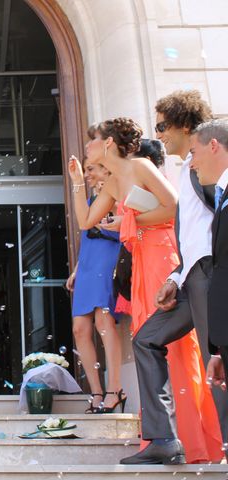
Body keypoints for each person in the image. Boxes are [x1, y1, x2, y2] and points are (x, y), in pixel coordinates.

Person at [69, 117, 221, 464]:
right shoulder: (111, 184)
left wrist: (129, 221)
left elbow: (174, 208)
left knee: (177, 347)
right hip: (141, 264)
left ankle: (192, 438)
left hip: (164, 260)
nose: (88, 146)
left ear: (108, 144)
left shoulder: (139, 166)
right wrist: (78, 182)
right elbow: (85, 221)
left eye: (93, 141)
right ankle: (164, 437)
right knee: (147, 341)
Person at [119, 92, 226, 465]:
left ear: (184, 125)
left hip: (212, 276)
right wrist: (176, 276)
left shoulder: (209, 169)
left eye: (163, 126)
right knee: (147, 339)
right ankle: (163, 439)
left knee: (218, 356)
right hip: (189, 277)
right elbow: (193, 234)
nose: (159, 134)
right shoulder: (187, 169)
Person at [66, 154, 123, 414]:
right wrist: (77, 269)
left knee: (103, 321)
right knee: (80, 328)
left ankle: (115, 389)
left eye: (91, 169)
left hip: (107, 261)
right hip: (88, 264)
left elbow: (126, 229)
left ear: (105, 169)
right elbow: (87, 233)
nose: (88, 174)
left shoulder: (118, 192)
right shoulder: (91, 198)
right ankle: (96, 392)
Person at [189, 120, 228, 420]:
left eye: (194, 152)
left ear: (213, 145)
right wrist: (218, 350)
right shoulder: (221, 198)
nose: (191, 162)